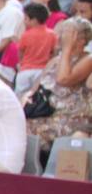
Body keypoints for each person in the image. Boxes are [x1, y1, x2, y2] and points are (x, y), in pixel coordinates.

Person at [24, 16, 92, 154]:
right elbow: (35, 88)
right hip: (45, 113)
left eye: (67, 33)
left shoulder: (88, 59)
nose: (61, 36)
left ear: (81, 40)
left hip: (71, 119)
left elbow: (64, 79)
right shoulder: (55, 61)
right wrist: (25, 98)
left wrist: (66, 49)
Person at [14, 2, 59, 97]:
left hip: (26, 70)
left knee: (20, 96)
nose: (24, 21)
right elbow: (54, 52)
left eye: (26, 18)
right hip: (43, 70)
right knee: (37, 96)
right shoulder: (52, 34)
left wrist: (21, 63)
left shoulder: (26, 34)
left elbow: (21, 51)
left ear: (33, 20)